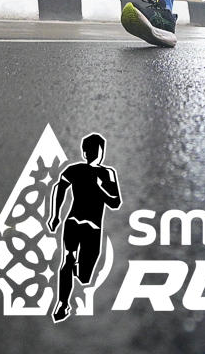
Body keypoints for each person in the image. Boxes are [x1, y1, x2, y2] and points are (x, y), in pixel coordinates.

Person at [49, 133, 121, 323]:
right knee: (68, 258)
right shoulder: (74, 170)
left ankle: (76, 271)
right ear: (84, 151)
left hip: (93, 227)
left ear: (101, 152)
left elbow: (115, 202)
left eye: (96, 150)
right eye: (90, 150)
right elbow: (59, 188)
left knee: (84, 275)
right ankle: (62, 303)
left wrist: (99, 189)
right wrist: (55, 215)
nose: (93, 153)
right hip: (74, 221)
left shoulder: (107, 173)